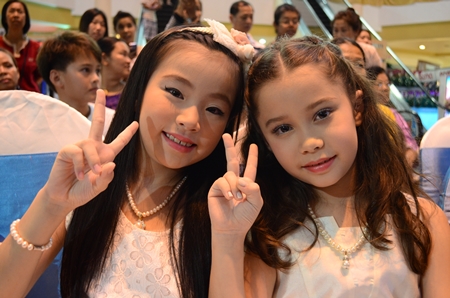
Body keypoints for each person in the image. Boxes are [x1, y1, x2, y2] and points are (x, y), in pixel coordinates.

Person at [0, 20, 261, 297]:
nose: (190, 120)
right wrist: (52, 202)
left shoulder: (229, 212)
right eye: (175, 92)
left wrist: (229, 239)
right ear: (138, 91)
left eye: (214, 109)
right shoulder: (90, 189)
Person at [214, 36, 450, 297]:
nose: (310, 142)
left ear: (357, 108)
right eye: (283, 128)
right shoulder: (267, 232)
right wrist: (227, 238)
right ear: (266, 141)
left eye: (322, 114)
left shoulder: (423, 221)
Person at [36, 31, 115, 137]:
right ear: (57, 78)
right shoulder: (42, 128)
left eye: (98, 70)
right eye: (86, 70)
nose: (96, 78)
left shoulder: (112, 121)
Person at [367, 66, 419, 167]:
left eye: (387, 84)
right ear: (368, 86)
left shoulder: (394, 114)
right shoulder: (364, 114)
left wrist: (410, 153)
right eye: (379, 84)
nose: (385, 88)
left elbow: (411, 147)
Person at [0, 0, 41, 92]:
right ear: (5, 18)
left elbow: (40, 75)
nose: (15, 15)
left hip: (30, 97)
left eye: (20, 11)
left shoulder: (36, 47)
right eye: (12, 11)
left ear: (26, 18)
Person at [97, 37, 131, 110]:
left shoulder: (131, 93)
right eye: (123, 54)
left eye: (129, 55)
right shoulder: (89, 93)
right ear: (105, 58)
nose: (129, 60)